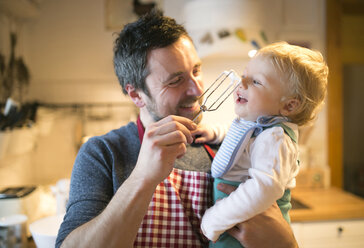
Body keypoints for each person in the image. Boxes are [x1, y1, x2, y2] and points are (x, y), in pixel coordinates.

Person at [56, 11, 299, 248]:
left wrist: (285, 243)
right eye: (175, 80)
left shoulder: (231, 149)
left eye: (196, 70)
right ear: (136, 94)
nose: (196, 89)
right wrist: (143, 177)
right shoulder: (103, 153)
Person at [195, 42, 328, 247]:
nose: (243, 82)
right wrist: (215, 133)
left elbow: (264, 187)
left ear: (289, 105)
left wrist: (215, 217)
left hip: (246, 229)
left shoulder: (275, 138)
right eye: (245, 74)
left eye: (256, 81)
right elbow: (242, 135)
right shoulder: (261, 127)